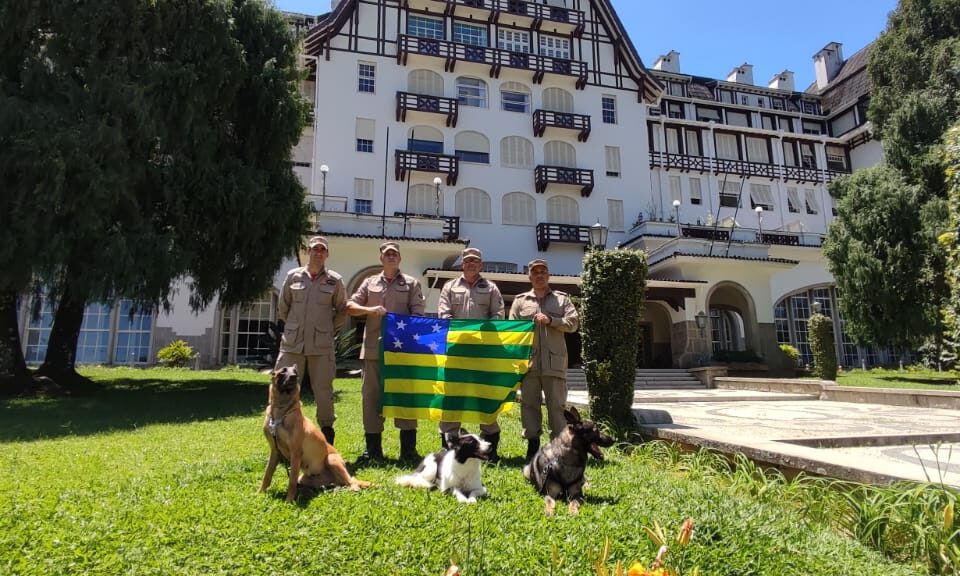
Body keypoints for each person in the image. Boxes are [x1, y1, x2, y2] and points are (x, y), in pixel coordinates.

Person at [346, 241, 426, 463]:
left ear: (399, 259)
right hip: (373, 350)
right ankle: (373, 451)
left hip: (402, 352)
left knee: (405, 398)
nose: (391, 257)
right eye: (387, 254)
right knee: (371, 399)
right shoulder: (369, 283)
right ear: (381, 258)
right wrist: (369, 310)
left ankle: (408, 451)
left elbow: (418, 316)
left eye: (395, 254)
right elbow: (350, 306)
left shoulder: (411, 284)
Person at [275, 235, 347, 446]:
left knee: (324, 392)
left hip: (321, 346)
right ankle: (281, 439)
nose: (318, 253)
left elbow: (342, 309)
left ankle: (326, 441)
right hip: (292, 344)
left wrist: (328, 329)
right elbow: (283, 307)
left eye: (322, 250)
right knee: (283, 389)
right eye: (314, 249)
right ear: (307, 251)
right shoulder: (293, 276)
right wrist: (293, 327)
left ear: (327, 254)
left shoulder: (335, 280)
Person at [436, 247, 505, 461]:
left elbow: (499, 315)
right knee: (452, 398)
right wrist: (462, 327)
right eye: (468, 261)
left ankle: (489, 445)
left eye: (475, 261)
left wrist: (483, 327)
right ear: (462, 264)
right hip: (456, 353)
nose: (471, 264)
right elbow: (443, 314)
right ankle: (450, 446)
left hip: (482, 354)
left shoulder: (491, 288)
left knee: (484, 397)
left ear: (481, 264)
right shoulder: (449, 287)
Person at [509, 258, 579, 462]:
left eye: (543, 271)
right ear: (529, 276)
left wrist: (552, 320)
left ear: (548, 275)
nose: (539, 274)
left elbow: (573, 323)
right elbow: (512, 329)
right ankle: (533, 447)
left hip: (554, 363)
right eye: (535, 271)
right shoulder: (520, 301)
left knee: (556, 407)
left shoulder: (561, 299)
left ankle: (559, 449)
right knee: (529, 405)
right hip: (529, 363)